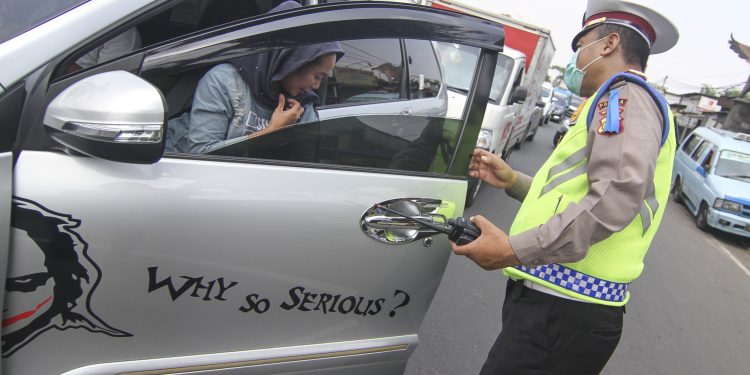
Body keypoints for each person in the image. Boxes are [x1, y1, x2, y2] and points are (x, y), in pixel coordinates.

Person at [451, 1, 679, 374]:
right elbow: (583, 193)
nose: (576, 58)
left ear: (608, 44)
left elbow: (614, 198)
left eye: (581, 44)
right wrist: (514, 181)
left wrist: (512, 250)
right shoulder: (612, 101)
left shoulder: (623, 97)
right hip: (562, 309)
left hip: (563, 313)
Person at [165, 1, 343, 154]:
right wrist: (271, 132)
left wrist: (295, 133)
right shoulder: (224, 82)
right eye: (317, 76)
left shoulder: (302, 107)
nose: (317, 86)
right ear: (293, 61)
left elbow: (304, 168)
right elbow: (201, 153)